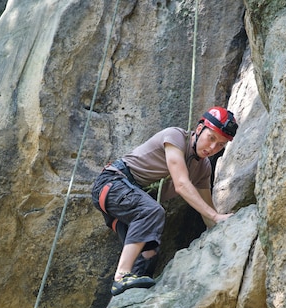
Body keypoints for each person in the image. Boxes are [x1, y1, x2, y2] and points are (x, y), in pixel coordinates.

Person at [91, 106, 238, 296]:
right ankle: (121, 276)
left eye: (220, 145)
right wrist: (216, 217)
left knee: (148, 256)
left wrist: (225, 236)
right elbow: (182, 184)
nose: (212, 148)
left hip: (127, 201)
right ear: (199, 128)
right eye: (211, 138)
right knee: (152, 211)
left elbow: (208, 214)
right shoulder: (175, 137)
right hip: (112, 183)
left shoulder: (203, 169)